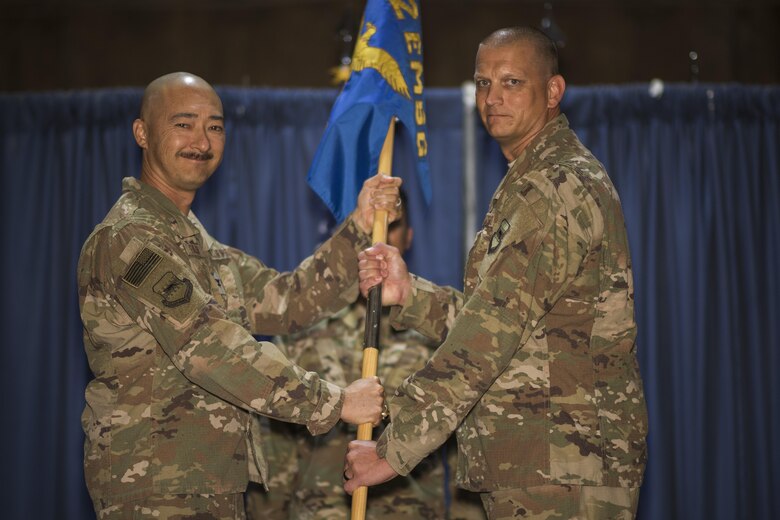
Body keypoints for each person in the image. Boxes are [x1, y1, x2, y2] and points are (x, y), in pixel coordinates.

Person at [344, 27, 648, 520]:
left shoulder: (554, 184)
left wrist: (392, 448)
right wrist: (410, 294)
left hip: (562, 468)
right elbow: (513, 325)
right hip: (545, 462)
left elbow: (488, 334)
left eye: (512, 82)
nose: (492, 98)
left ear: (553, 91)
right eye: (484, 83)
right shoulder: (534, 179)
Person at [77, 71, 401, 519]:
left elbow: (287, 301)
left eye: (214, 127)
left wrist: (360, 227)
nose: (201, 141)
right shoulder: (130, 238)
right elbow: (210, 349)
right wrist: (336, 402)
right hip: (155, 488)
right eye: (183, 124)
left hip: (209, 483)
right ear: (142, 133)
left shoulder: (198, 246)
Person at [245, 190, 486, 520]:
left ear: (409, 237)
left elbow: (463, 447)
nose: (378, 238)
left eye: (391, 226)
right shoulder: (303, 336)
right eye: (371, 227)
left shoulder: (437, 337)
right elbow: (277, 446)